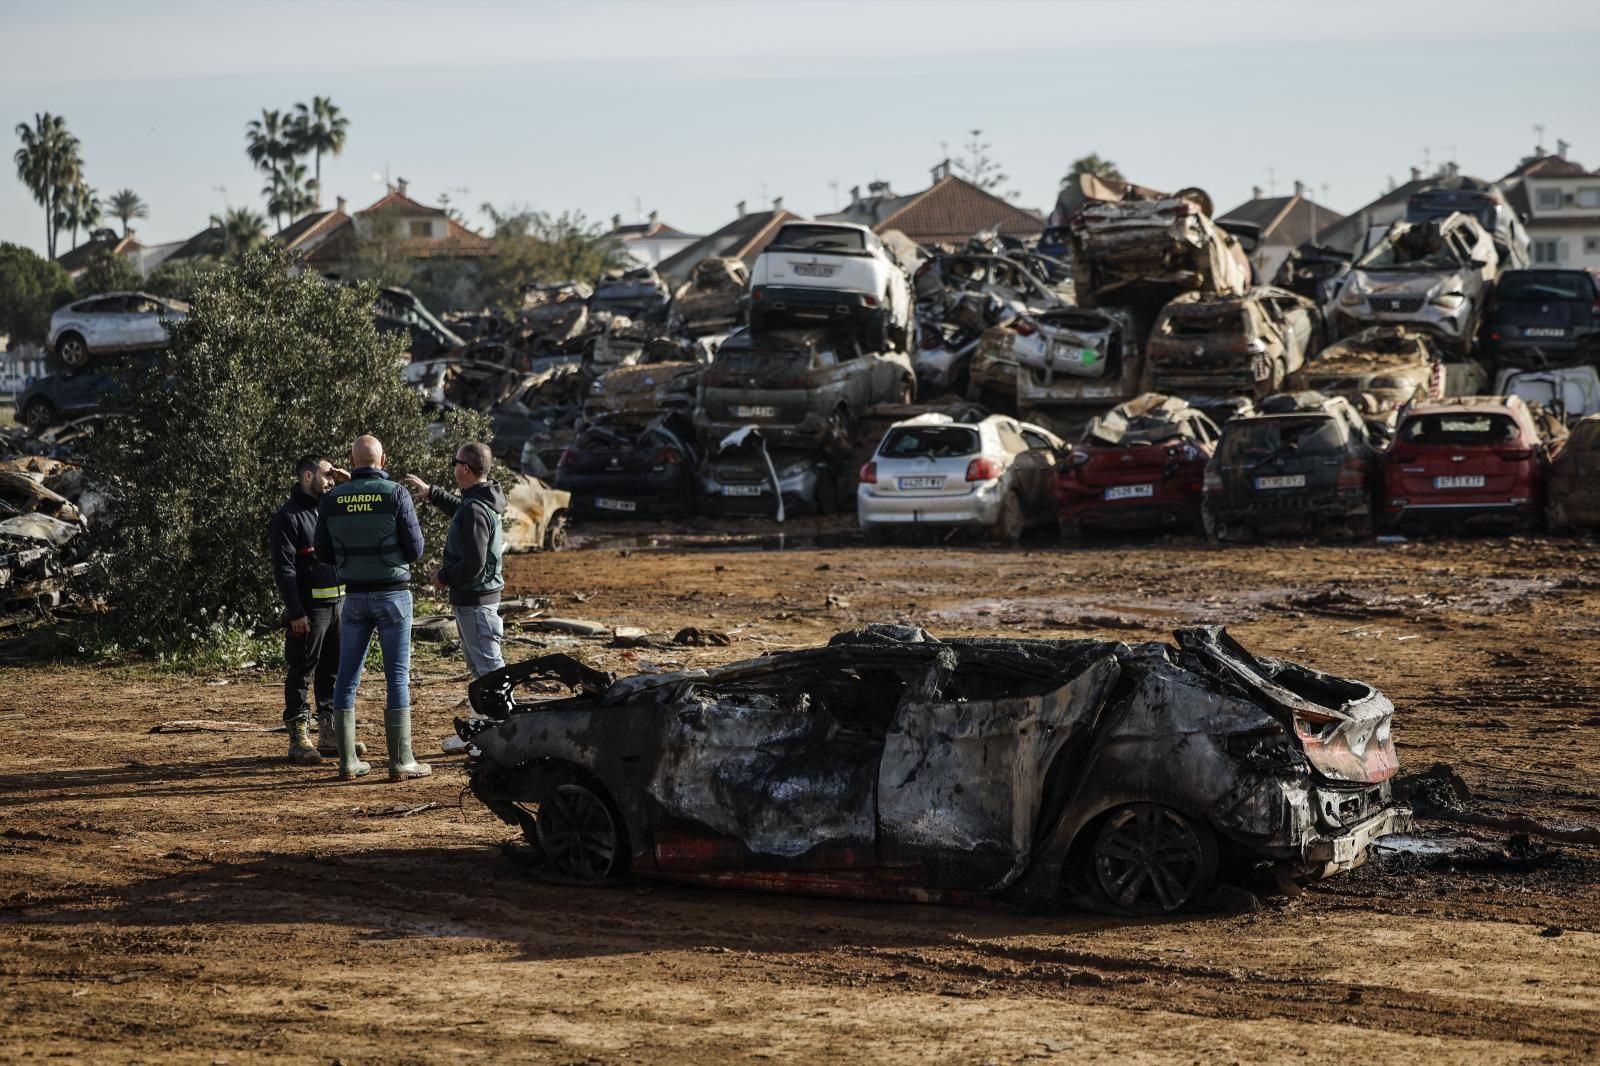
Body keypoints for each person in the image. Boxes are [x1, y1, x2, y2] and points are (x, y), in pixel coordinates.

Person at [315, 434, 429, 782]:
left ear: (351, 461)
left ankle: (348, 762)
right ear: (382, 460)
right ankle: (401, 761)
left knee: (346, 676)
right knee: (396, 675)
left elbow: (323, 552)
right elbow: (415, 550)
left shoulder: (333, 498)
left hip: (354, 596)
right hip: (393, 595)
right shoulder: (396, 493)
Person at [267, 455, 359, 765]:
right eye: (327, 474)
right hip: (309, 610)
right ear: (308, 476)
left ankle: (329, 733)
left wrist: (350, 481)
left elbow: (362, 501)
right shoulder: (288, 517)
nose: (332, 480)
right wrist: (295, 612)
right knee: (301, 671)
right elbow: (285, 570)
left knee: (331, 670)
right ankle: (298, 737)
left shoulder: (329, 507)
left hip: (339, 606)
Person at [404, 441, 507, 683]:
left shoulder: (476, 509)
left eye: (455, 462)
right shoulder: (480, 500)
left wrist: (443, 577)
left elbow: (474, 564)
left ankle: (504, 719)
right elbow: (462, 511)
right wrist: (432, 493)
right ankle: (487, 718)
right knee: (482, 671)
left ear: (466, 469)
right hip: (477, 601)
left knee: (489, 673)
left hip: (476, 603)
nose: (454, 467)